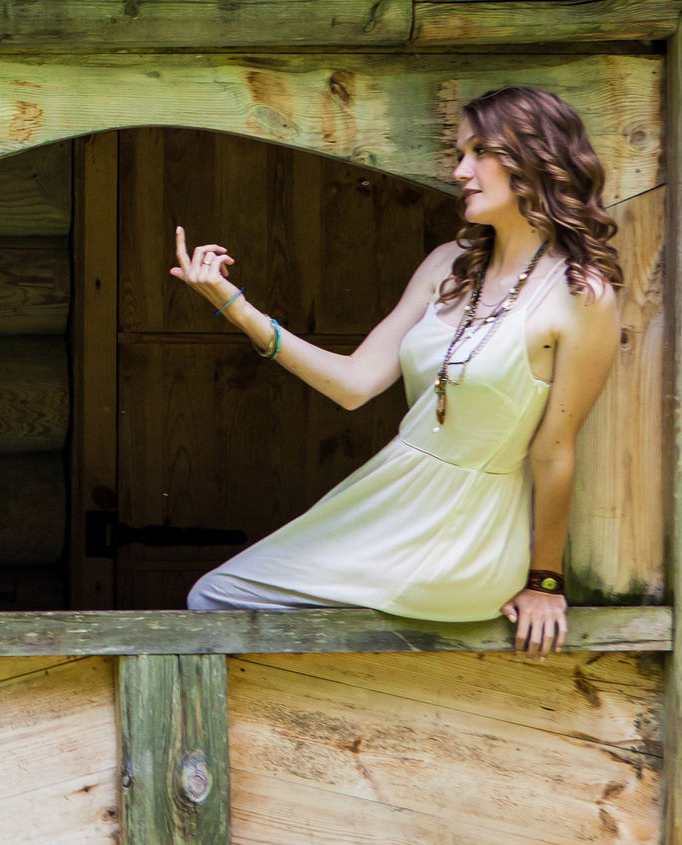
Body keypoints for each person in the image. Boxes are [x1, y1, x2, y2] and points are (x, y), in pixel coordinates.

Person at [168, 87, 624, 658]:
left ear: (534, 158)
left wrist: (545, 582)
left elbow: (553, 452)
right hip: (390, 492)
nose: (460, 171)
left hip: (466, 533)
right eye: (459, 154)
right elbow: (354, 384)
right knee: (215, 596)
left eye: (479, 152)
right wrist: (236, 306)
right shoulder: (447, 264)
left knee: (219, 600)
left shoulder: (582, 295)